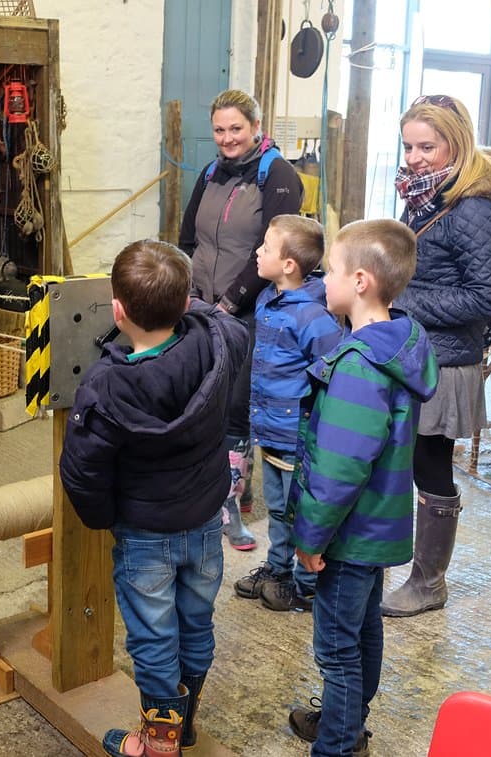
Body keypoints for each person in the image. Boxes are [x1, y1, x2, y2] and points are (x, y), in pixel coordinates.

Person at [58, 240, 249, 756]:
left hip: (144, 535)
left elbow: (81, 471)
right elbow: (217, 317)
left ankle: (159, 745)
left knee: (152, 637)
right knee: (195, 622)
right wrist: (187, 300)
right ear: (186, 302)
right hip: (207, 522)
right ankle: (183, 726)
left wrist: (104, 518)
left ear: (117, 311)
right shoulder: (218, 343)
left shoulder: (105, 385)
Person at [381, 94, 491, 616]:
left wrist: (399, 299)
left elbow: (484, 296)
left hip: (446, 360)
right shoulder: (428, 196)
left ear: (458, 142)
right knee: (410, 461)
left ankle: (429, 583)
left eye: (427, 146)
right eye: (409, 145)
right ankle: (415, 571)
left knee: (431, 467)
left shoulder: (474, 206)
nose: (414, 157)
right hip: (418, 348)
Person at [286, 219, 439, 756]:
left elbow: (339, 469)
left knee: (336, 647)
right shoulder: (397, 346)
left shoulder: (357, 365)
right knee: (363, 628)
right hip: (380, 526)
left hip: (349, 534)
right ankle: (344, 720)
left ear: (360, 282)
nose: (319, 282)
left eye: (327, 272)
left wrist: (309, 537)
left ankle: (340, 743)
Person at [179, 89, 303, 551]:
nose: (227, 138)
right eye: (219, 130)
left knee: (233, 410)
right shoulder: (211, 173)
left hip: (248, 311)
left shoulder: (279, 174)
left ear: (255, 127)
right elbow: (187, 238)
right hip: (202, 305)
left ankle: (229, 502)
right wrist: (190, 292)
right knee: (200, 398)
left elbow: (278, 250)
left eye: (236, 129)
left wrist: (231, 302)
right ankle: (217, 486)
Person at [232, 215, 342, 613]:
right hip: (270, 426)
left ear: (289, 265)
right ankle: (277, 569)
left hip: (296, 432)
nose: (257, 253)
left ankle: (307, 583)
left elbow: (331, 374)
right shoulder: (266, 298)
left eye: (265, 248)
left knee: (302, 509)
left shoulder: (313, 317)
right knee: (277, 507)